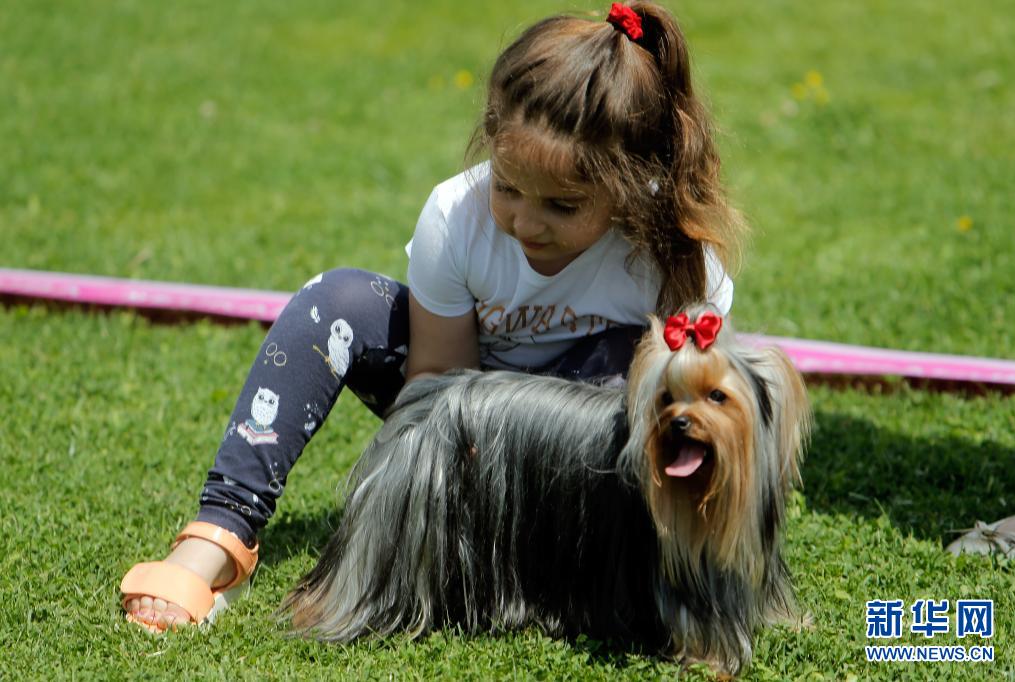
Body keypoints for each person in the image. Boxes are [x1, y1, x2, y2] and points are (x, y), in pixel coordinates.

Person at [120, 0, 748, 631]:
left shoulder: (676, 260)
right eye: (507, 187)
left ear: (631, 183)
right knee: (334, 304)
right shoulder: (455, 217)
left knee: (644, 365)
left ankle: (573, 561)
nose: (525, 222)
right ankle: (221, 530)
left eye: (562, 205)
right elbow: (438, 385)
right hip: (460, 407)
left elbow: (687, 419)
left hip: (572, 440)